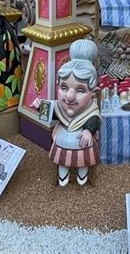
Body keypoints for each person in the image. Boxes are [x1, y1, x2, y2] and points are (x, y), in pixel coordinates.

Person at [50, 39, 101, 187]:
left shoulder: (90, 110)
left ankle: (82, 174)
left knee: (83, 158)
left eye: (80, 90)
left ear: (93, 92)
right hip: (64, 136)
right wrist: (41, 107)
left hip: (81, 140)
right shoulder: (60, 106)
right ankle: (63, 176)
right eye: (64, 88)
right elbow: (53, 113)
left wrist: (88, 130)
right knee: (62, 160)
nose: (69, 97)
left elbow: (94, 120)